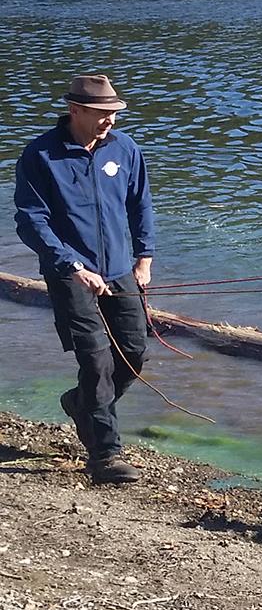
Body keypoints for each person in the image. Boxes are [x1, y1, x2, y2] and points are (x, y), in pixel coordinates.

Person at [14, 73, 156, 485]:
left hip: (120, 271)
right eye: (101, 113)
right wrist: (72, 265)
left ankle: (81, 404)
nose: (109, 120)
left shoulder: (124, 148)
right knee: (95, 360)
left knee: (133, 353)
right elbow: (30, 220)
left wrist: (144, 259)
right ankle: (105, 455)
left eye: (113, 113)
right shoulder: (41, 155)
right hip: (69, 274)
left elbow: (141, 204)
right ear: (75, 110)